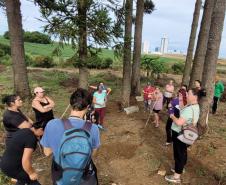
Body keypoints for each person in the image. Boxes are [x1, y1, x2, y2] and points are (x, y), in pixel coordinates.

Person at [40, 88, 100, 185]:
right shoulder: (93, 128)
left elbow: (47, 152)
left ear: (71, 103)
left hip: (61, 175)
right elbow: (93, 154)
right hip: (84, 176)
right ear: (88, 106)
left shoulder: (52, 124)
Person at [165, 88, 200, 184]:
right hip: (187, 135)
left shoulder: (190, 109)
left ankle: (176, 177)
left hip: (180, 134)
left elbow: (179, 122)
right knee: (183, 152)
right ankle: (180, 168)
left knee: (179, 154)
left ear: (195, 96)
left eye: (189, 94)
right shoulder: (195, 106)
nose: (187, 96)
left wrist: (171, 114)